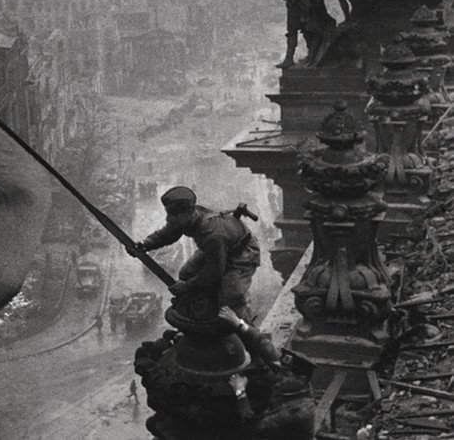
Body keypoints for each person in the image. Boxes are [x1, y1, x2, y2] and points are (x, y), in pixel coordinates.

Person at [127, 186, 260, 321]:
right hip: (217, 248)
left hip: (242, 253)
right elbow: (168, 234)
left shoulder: (211, 233)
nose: (168, 219)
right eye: (168, 214)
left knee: (230, 298)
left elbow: (214, 271)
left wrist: (186, 287)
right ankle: (205, 308)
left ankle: (247, 330)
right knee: (186, 273)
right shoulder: (187, 217)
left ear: (189, 212)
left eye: (173, 215)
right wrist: (145, 244)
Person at [218, 306, 316, 439]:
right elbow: (264, 345)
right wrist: (238, 323)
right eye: (281, 371)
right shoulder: (295, 383)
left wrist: (240, 392)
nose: (279, 376)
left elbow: (252, 426)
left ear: (302, 379)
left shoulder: (297, 412)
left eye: (286, 375)